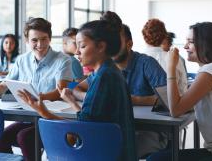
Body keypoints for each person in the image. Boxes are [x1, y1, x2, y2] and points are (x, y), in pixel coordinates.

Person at [18, 19, 138, 161]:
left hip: (105, 154)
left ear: (100, 46)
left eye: (82, 46)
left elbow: (81, 129)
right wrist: (70, 94)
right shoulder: (103, 72)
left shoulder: (104, 77)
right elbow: (77, 86)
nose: (76, 52)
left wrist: (43, 111)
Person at [0, 17, 73, 161]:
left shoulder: (63, 60)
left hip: (50, 118)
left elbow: (60, 92)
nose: (40, 44)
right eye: (35, 40)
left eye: (44, 39)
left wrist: (38, 98)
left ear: (50, 38)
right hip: (27, 118)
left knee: (25, 137)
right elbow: (4, 85)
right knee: (0, 137)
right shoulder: (22, 60)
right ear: (27, 41)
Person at [148, 22, 212, 161]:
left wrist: (171, 67)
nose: (185, 46)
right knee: (157, 158)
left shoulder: (211, 70)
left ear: (206, 44)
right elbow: (182, 105)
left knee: (156, 159)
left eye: (190, 42)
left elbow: (175, 110)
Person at [101, 11, 168, 158]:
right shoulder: (106, 67)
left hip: (150, 130)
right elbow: (78, 87)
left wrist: (134, 100)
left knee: (117, 152)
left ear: (129, 44)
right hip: (118, 127)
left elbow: (168, 98)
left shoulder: (147, 63)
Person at [142, 19, 188, 95]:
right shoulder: (176, 59)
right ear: (164, 37)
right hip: (172, 104)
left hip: (141, 105)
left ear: (144, 36)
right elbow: (183, 88)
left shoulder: (137, 60)